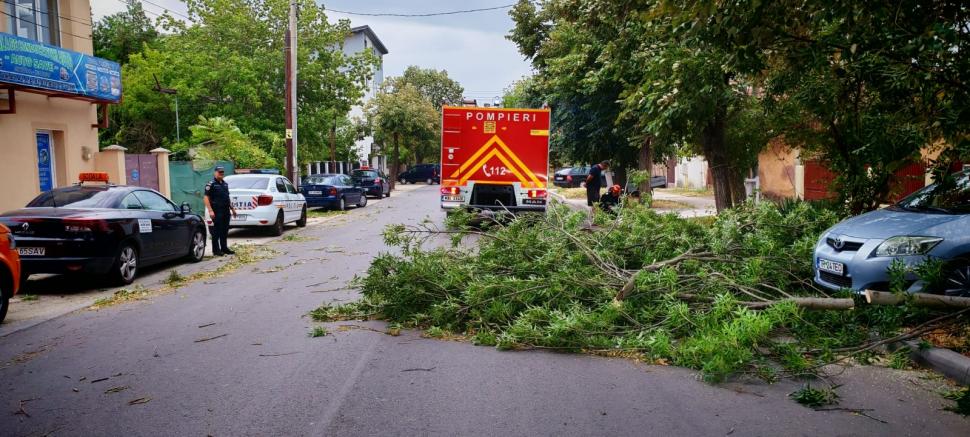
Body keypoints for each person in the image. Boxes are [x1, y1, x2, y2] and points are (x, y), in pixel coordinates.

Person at [203, 166, 237, 256]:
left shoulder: (225, 184)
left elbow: (227, 198)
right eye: (219, 172)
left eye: (222, 172)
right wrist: (210, 210)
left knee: (225, 230)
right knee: (217, 230)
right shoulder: (211, 184)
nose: (221, 173)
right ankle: (216, 250)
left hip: (226, 210)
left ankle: (224, 248)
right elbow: (206, 198)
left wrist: (232, 209)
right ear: (215, 173)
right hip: (216, 210)